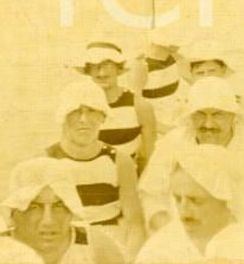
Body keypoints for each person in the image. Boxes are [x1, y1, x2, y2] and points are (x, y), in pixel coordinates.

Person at [139, 78, 244, 235]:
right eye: (200, 114)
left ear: (233, 117)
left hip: (243, 241)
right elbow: (151, 197)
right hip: (180, 239)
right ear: (190, 116)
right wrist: (175, 237)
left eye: (218, 115)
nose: (208, 124)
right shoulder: (172, 143)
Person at [136, 144, 244, 264]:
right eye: (178, 199)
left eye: (196, 200)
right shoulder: (161, 247)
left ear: (226, 199)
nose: (184, 210)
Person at [0, 157, 125, 264]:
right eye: (34, 207)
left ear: (72, 209)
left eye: (59, 205)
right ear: (14, 212)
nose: (48, 220)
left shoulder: (97, 247)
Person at [46, 81, 146, 259]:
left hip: (111, 244)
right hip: (65, 247)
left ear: (103, 116)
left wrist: (128, 259)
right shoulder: (46, 161)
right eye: (75, 111)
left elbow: (135, 225)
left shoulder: (120, 161)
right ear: (62, 116)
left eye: (92, 111)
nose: (83, 119)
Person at [74, 41, 157, 174]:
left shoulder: (140, 106)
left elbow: (147, 156)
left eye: (106, 64)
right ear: (88, 71)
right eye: (94, 66)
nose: (101, 73)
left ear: (119, 68)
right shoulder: (77, 106)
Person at [183, 39, 244, 128]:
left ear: (223, 70)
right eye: (200, 73)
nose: (207, 77)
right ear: (192, 74)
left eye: (212, 71)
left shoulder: (237, 101)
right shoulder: (186, 101)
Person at [128, 32, 191, 135]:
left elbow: (196, 83)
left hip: (177, 117)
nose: (179, 46)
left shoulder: (176, 58)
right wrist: (167, 130)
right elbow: (136, 107)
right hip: (156, 125)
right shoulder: (141, 65)